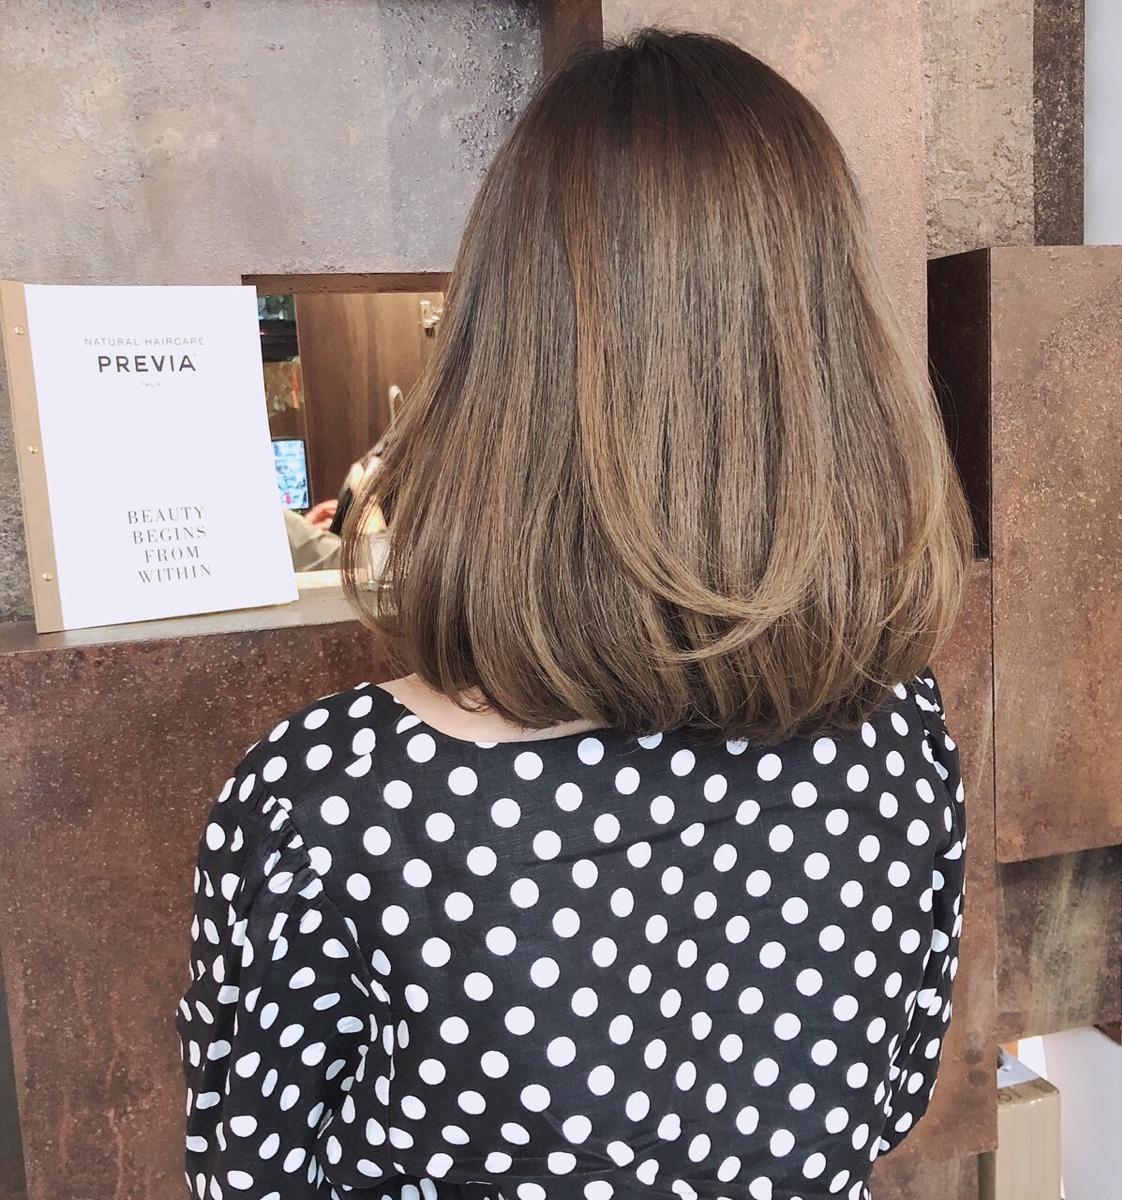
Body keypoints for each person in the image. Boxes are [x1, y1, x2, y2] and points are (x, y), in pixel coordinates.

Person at [176, 28, 972, 1200]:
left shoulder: (331, 803)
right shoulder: (900, 737)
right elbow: (890, 1099)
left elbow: (250, 1176)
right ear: (837, 368)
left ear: (503, 361)